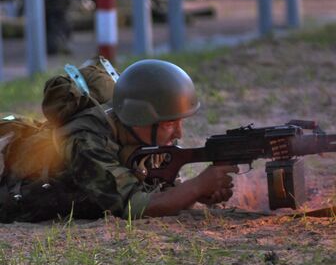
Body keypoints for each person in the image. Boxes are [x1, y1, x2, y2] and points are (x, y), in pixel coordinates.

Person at [0, 59, 237, 222]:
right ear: (140, 118)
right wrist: (197, 186)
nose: (179, 134)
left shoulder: (144, 136)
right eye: (169, 124)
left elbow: (159, 189)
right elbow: (132, 206)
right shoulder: (87, 141)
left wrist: (196, 193)